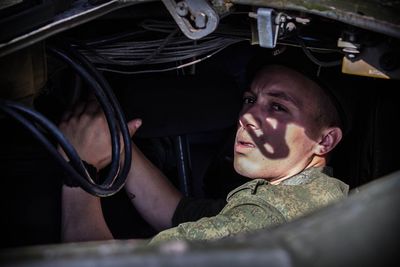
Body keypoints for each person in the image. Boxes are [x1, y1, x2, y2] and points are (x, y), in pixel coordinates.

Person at [60, 65, 349, 246]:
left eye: (278, 107)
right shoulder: (315, 193)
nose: (247, 115)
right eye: (250, 100)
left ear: (325, 141)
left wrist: (78, 169)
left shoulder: (268, 219)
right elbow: (177, 213)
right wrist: (119, 142)